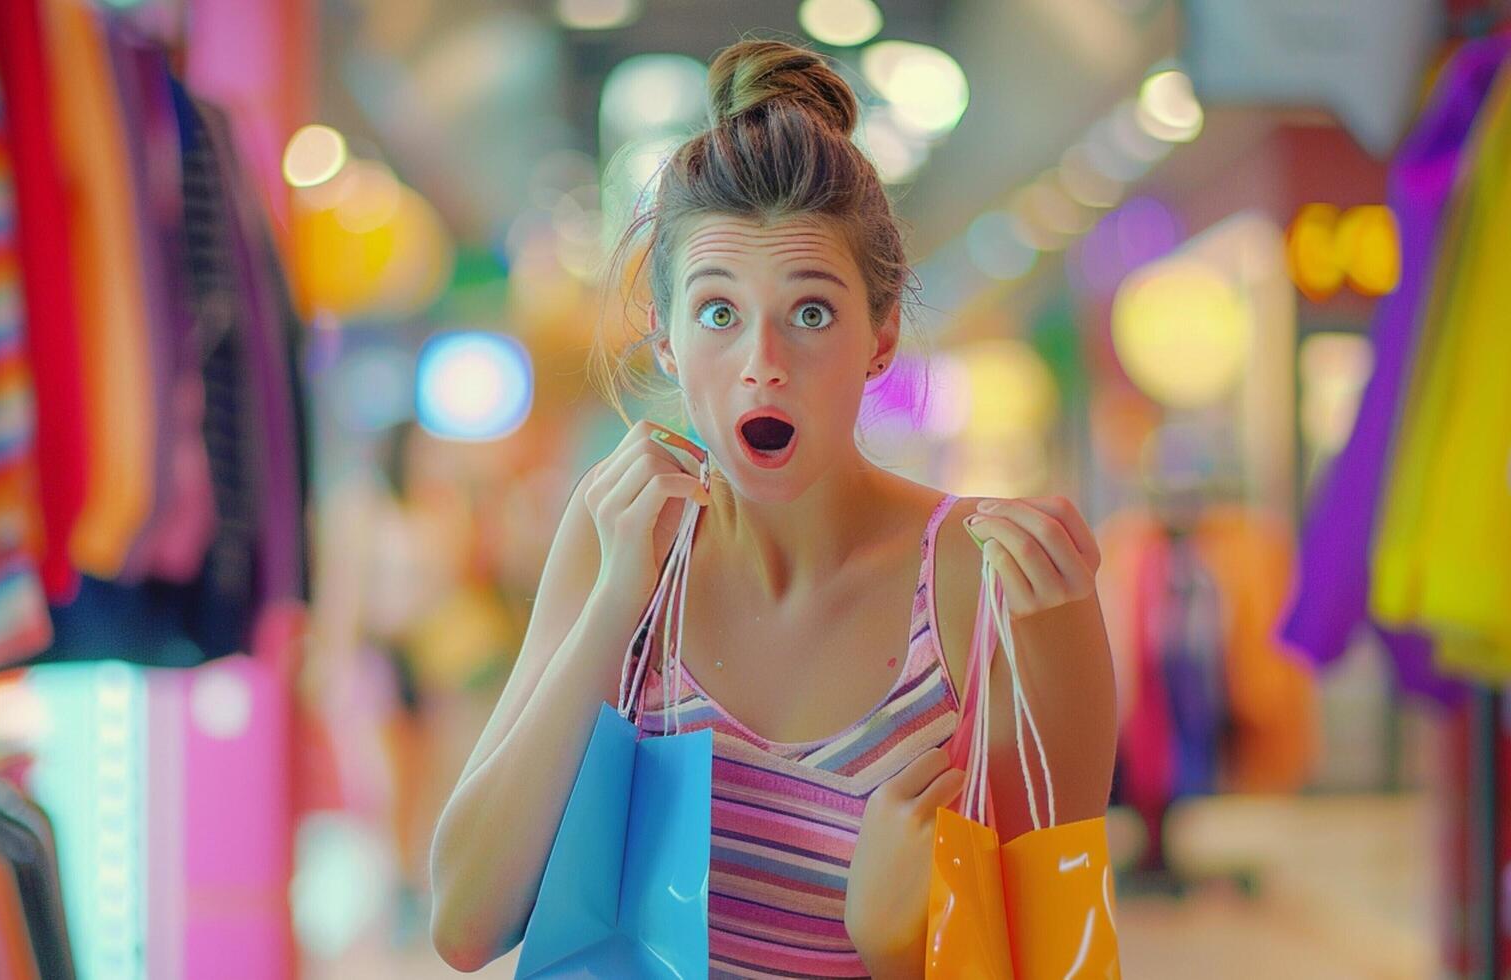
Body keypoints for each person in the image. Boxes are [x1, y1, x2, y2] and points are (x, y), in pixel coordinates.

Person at [429, 37, 1118, 978]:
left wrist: (899, 945)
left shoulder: (990, 585)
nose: (763, 361)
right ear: (665, 342)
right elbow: (467, 923)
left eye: (810, 312)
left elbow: (1051, 959)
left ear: (879, 341)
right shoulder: (618, 550)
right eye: (717, 312)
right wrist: (617, 594)